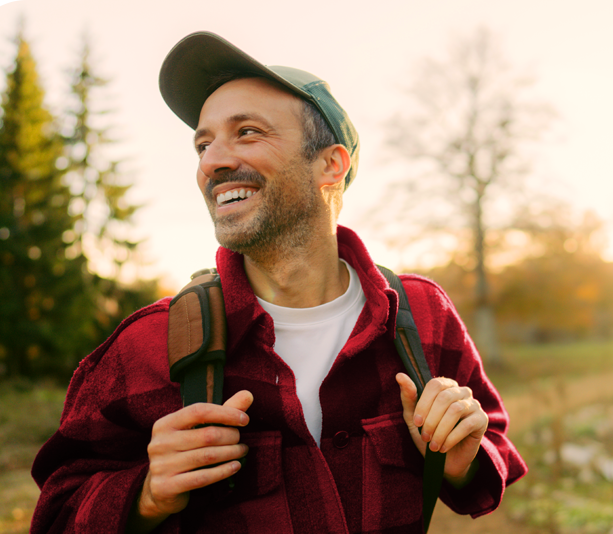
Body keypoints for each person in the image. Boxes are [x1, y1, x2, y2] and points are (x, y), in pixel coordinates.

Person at [30, 31, 527, 533]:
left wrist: (464, 459)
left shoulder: (421, 313)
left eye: (246, 132)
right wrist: (147, 494)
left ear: (330, 164)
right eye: (203, 143)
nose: (211, 162)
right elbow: (56, 511)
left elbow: (494, 448)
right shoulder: (148, 345)